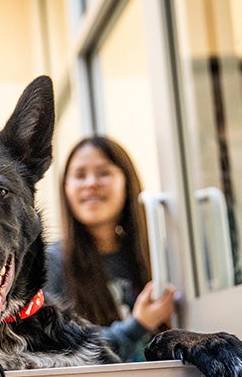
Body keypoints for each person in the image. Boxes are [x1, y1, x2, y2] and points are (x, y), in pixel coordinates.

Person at [45, 136, 176, 361]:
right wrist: (138, 325)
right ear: (65, 189)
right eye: (79, 175)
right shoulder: (50, 262)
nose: (91, 183)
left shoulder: (155, 256)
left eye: (103, 172)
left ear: (127, 183)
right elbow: (61, 351)